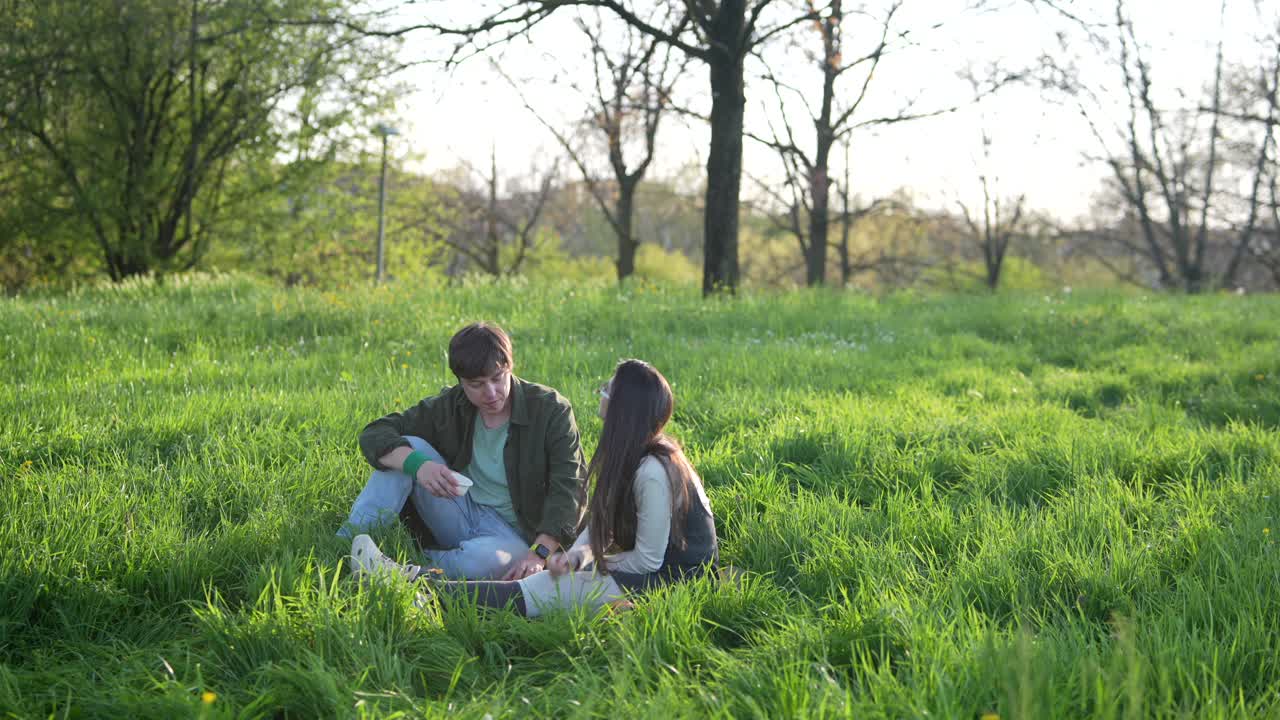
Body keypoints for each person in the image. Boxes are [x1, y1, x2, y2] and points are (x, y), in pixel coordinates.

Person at [349, 359, 718, 618]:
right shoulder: (628, 456)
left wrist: (582, 567)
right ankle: (412, 582)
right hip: (645, 576)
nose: (601, 393)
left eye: (608, 389)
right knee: (546, 585)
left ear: (623, 408)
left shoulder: (653, 470)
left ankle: (413, 586)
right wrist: (577, 556)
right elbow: (600, 524)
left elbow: (650, 562)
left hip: (670, 585)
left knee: (540, 590)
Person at [338, 322, 588, 581]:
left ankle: (401, 567)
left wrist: (539, 553)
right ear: (460, 381)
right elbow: (375, 433)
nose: (490, 393)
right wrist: (419, 465)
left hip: (516, 537)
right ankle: (347, 547)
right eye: (476, 384)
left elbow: (570, 489)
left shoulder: (551, 410)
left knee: (503, 561)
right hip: (460, 508)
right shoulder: (451, 405)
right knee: (407, 447)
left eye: (497, 378)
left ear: (510, 367)